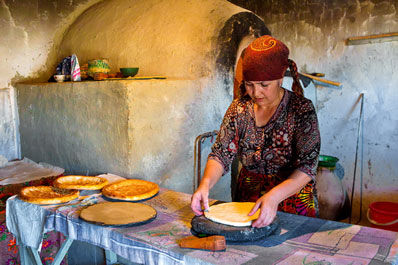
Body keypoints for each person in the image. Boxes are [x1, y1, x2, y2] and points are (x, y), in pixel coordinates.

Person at [191, 35, 321, 228]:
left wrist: (274, 196)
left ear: (280, 78)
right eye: (249, 84)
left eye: (264, 85)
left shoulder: (300, 109)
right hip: (247, 198)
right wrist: (205, 184)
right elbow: (221, 153)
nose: (256, 92)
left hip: (292, 197)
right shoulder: (239, 109)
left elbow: (307, 166)